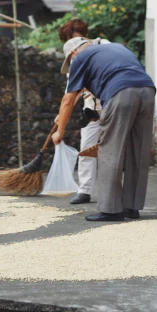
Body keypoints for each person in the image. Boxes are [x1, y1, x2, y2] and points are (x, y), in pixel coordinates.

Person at [53, 39, 155, 222]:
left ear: (72, 54)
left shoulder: (79, 59)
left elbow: (68, 100)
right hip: (147, 91)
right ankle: (132, 207)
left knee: (110, 151)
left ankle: (111, 210)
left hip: (121, 92)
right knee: (138, 151)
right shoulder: (115, 48)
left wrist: (59, 132)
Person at [58, 19, 109, 205]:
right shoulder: (73, 59)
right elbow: (71, 91)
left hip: (111, 103)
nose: (75, 43)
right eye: (70, 39)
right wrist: (63, 112)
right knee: (86, 149)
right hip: (90, 108)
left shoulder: (104, 46)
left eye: (77, 38)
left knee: (112, 149)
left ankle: (111, 191)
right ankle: (84, 190)